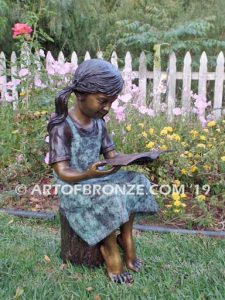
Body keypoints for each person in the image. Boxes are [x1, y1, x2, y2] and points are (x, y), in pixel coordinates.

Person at [48, 59, 158, 285]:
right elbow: (62, 172)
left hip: (95, 177)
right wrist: (89, 174)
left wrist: (132, 159)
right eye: (102, 101)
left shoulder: (99, 123)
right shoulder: (62, 126)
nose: (107, 107)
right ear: (80, 94)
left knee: (137, 181)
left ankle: (125, 236)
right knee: (109, 194)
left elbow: (111, 157)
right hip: (74, 184)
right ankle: (109, 249)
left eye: (111, 102)